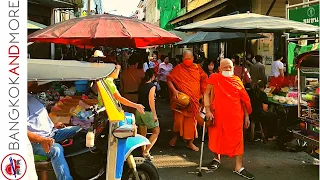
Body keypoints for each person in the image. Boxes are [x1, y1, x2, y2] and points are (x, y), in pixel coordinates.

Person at [204, 58, 254, 179]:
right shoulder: (214, 78)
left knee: (238, 140)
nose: (228, 69)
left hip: (235, 117)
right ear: (219, 69)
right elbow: (206, 94)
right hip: (218, 116)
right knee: (217, 137)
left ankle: (238, 167)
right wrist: (208, 110)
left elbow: (244, 100)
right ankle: (216, 159)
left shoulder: (237, 80)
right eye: (225, 67)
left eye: (230, 67)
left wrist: (247, 116)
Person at [27, 86, 82, 180]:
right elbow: (20, 131)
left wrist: (52, 125)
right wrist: (42, 140)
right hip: (36, 142)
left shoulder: (30, 97)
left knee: (80, 129)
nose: (37, 83)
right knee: (56, 149)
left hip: (52, 132)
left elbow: (38, 117)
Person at [167, 50, 208, 151]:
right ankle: (175, 136)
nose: (188, 60)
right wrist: (175, 91)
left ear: (193, 58)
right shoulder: (178, 68)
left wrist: (203, 94)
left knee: (191, 122)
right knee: (178, 121)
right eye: (186, 59)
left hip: (194, 100)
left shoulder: (198, 68)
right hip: (182, 101)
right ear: (182, 59)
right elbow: (169, 79)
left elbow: (205, 81)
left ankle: (190, 142)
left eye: (189, 59)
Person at [136, 69, 160, 159]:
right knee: (156, 131)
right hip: (147, 111)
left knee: (143, 133)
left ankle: (143, 151)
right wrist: (154, 114)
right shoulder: (152, 86)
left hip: (138, 110)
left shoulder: (141, 85)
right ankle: (146, 151)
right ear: (152, 76)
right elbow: (151, 101)